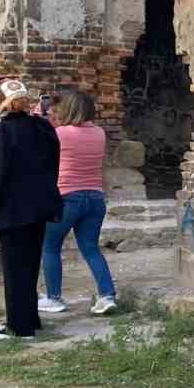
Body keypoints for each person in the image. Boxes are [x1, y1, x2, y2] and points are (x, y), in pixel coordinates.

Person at [0, 79, 62, 340]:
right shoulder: (43, 127)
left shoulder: (4, 132)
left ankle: (19, 326)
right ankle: (30, 318)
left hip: (12, 209)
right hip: (39, 206)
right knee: (30, 265)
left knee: (14, 269)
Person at [37, 89, 117, 316]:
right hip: (95, 198)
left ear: (68, 110)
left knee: (50, 247)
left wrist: (40, 118)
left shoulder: (60, 133)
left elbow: (41, 146)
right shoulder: (100, 133)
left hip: (66, 198)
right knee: (91, 248)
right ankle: (107, 295)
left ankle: (54, 298)